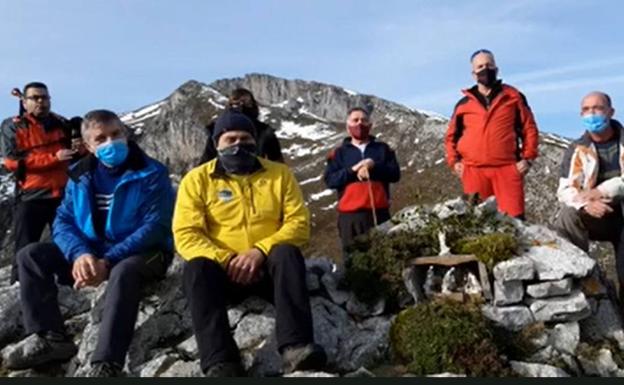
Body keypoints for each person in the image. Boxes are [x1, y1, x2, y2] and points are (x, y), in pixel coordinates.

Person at [5, 110, 175, 377]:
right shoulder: (79, 175)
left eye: (116, 134)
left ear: (126, 133)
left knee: (124, 271)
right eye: (101, 138)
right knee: (31, 255)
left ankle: (106, 363)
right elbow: (63, 220)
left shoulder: (152, 172)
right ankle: (52, 337)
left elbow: (155, 226)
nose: (111, 142)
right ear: (89, 146)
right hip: (92, 253)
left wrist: (108, 260)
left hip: (145, 253)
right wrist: (81, 254)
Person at [173, 109, 326, 377]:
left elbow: (298, 223)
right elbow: (186, 234)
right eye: (230, 139)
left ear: (255, 141)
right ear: (216, 143)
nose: (238, 144)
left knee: (287, 253)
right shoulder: (196, 180)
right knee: (196, 267)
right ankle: (221, 362)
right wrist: (227, 259)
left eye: (245, 138)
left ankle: (296, 347)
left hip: (268, 269)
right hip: (223, 273)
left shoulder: (279, 175)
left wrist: (260, 251)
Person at [444, 49, 539, 219]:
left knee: (514, 222)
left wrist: (528, 158)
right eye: (480, 66)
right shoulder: (463, 104)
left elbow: (529, 128)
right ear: (473, 74)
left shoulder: (513, 97)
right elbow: (451, 136)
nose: (485, 69)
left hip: (507, 169)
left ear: (496, 69)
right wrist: (454, 162)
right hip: (473, 170)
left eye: (489, 65)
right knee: (477, 222)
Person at [0, 82, 78, 283]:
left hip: (62, 195)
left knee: (66, 241)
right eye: (35, 98)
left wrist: (79, 146)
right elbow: (11, 162)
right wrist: (53, 158)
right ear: (24, 102)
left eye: (45, 97)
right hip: (31, 195)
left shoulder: (62, 124)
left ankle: (69, 284)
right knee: (25, 244)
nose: (41, 101)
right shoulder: (13, 126)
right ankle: (20, 287)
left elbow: (75, 155)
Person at [554, 91, 624, 299]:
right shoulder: (578, 149)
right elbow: (565, 189)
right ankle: (579, 279)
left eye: (598, 108)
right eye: (586, 109)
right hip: (596, 214)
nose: (591, 114)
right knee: (567, 215)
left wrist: (601, 191)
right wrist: (585, 205)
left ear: (611, 112)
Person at [323, 107, 400, 260]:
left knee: (384, 260)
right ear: (347, 125)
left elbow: (394, 174)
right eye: (355, 120)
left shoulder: (383, 149)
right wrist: (353, 170)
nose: (360, 124)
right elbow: (330, 180)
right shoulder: (338, 153)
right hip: (350, 218)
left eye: (364, 120)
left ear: (370, 125)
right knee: (353, 263)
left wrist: (373, 165)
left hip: (380, 214)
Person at [197, 88, 284, 165]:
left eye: (246, 102)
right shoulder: (216, 129)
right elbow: (207, 159)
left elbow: (277, 162)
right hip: (226, 175)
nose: (241, 105)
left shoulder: (265, 131)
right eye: (236, 103)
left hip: (255, 176)